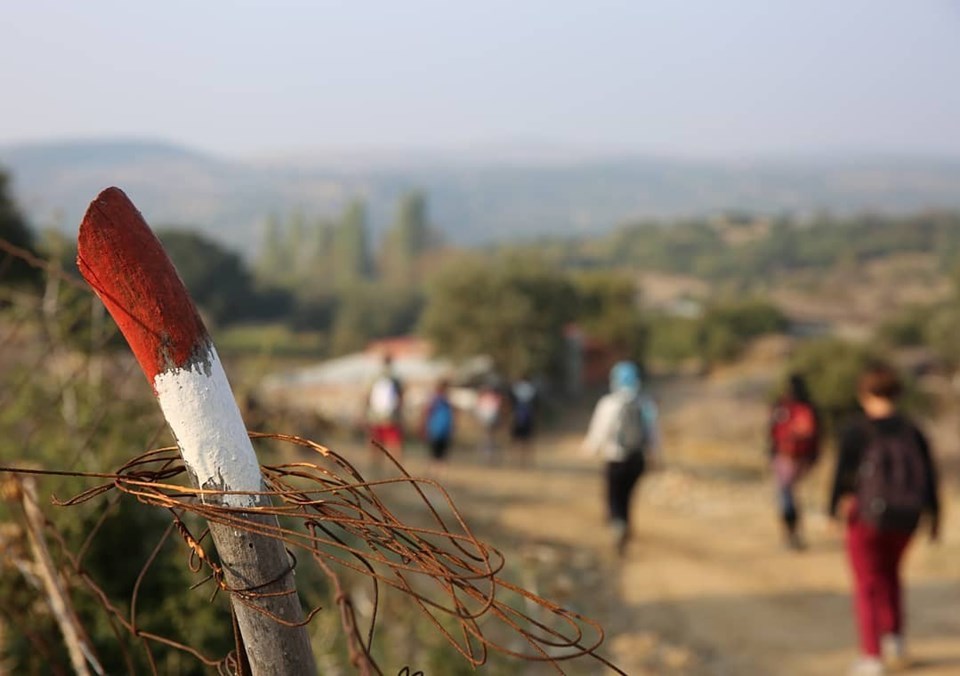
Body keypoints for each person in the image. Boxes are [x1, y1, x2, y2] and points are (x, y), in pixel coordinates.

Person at [829, 361, 940, 675]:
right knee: (891, 576)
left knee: (867, 584)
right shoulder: (913, 430)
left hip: (868, 517)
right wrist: (934, 518)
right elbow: (929, 478)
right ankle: (895, 639)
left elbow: (842, 476)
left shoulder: (856, 430)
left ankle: (871, 655)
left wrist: (832, 510)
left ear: (864, 393)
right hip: (907, 518)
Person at [582, 360, 661, 556]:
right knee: (627, 496)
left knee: (614, 496)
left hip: (615, 459)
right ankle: (625, 524)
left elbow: (599, 431)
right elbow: (653, 434)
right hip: (637, 460)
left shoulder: (608, 404)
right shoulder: (645, 403)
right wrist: (656, 457)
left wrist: (590, 449)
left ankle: (618, 524)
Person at [768, 373, 822, 550]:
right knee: (788, 493)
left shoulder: (787, 407)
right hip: (799, 457)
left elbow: (773, 431)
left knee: (786, 493)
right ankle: (793, 534)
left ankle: (792, 533)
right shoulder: (807, 407)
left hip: (788, 457)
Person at [364, 353, 405, 463]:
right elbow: (401, 397)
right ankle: (396, 469)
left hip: (375, 417)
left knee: (376, 444)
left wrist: (365, 414)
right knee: (394, 444)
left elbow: (367, 397)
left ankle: (375, 466)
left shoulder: (374, 376)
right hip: (392, 417)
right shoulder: (395, 378)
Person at [422, 378, 455, 475]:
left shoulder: (446, 401)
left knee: (440, 452)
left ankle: (439, 472)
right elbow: (427, 412)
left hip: (442, 430)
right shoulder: (436, 400)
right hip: (436, 430)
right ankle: (435, 471)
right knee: (436, 452)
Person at [509, 374, 538, 462]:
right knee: (527, 439)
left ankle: (516, 458)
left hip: (517, 416)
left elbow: (511, 402)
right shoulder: (532, 389)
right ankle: (526, 459)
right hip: (528, 416)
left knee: (517, 439)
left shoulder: (515, 388)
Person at [474, 380, 504, 463]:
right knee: (488, 438)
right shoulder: (487, 398)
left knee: (489, 438)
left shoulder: (491, 398)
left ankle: (489, 456)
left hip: (490, 420)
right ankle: (487, 456)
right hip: (487, 420)